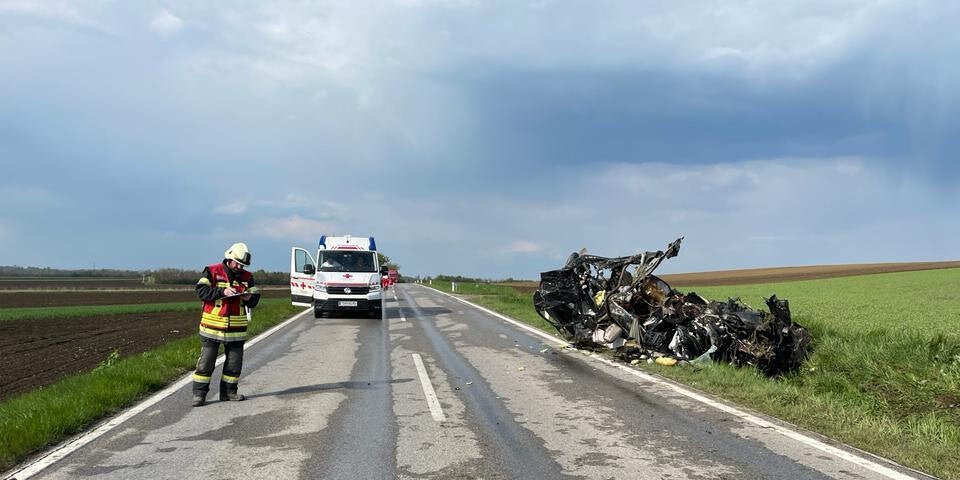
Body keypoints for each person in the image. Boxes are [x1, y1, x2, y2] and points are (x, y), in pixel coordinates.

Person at [191, 242, 261, 407]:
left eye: (242, 265)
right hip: (211, 327)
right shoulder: (212, 271)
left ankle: (229, 393)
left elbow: (255, 298)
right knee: (206, 364)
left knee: (234, 365)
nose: (239, 267)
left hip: (237, 330)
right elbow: (201, 291)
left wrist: (248, 298)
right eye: (237, 263)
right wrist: (222, 292)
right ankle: (199, 395)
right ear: (229, 259)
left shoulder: (248, 277)